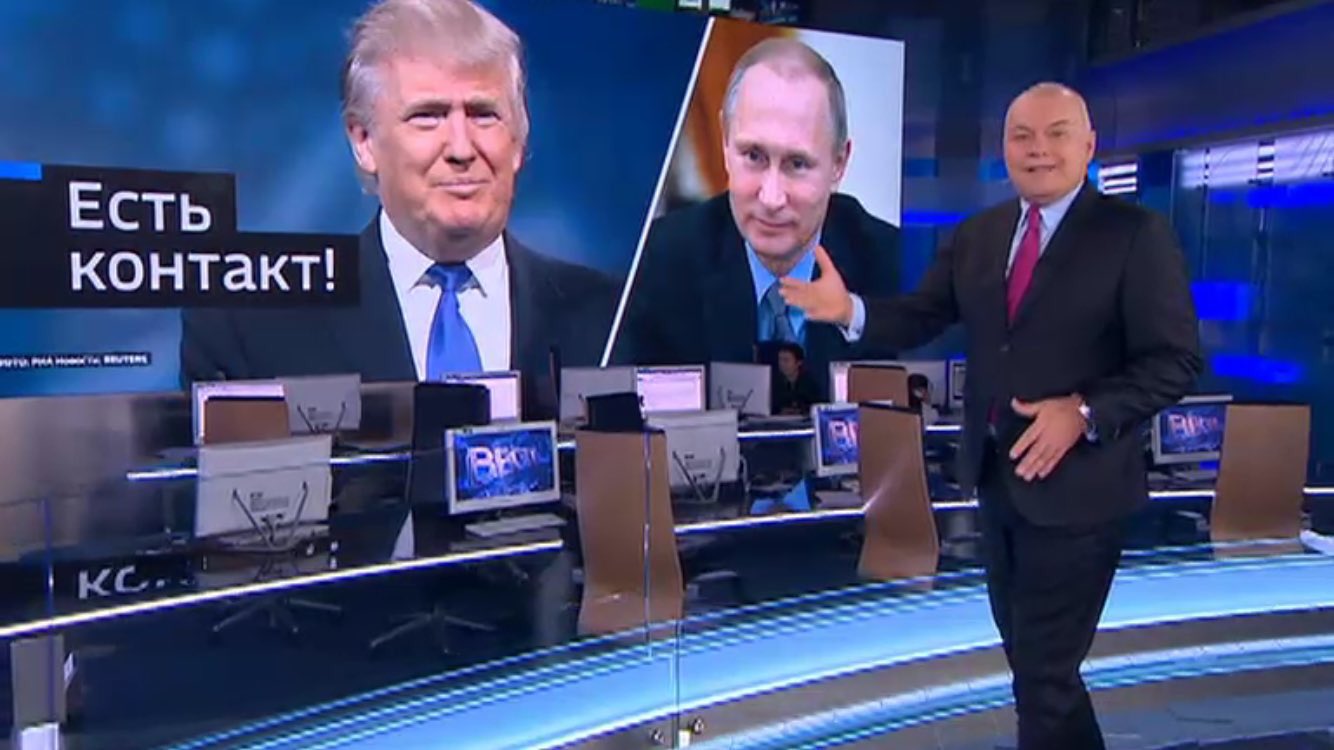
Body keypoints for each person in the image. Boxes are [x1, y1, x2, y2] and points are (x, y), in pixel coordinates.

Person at [781, 82, 1202, 748]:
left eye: (1057, 134)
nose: (1038, 150)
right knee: (1036, 673)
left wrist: (1083, 411)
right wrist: (848, 311)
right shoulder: (979, 236)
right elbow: (922, 315)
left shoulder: (1134, 236)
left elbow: (1175, 361)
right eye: (1021, 136)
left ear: (1089, 145)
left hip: (1082, 494)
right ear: (1004, 148)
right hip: (999, 483)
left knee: (1044, 675)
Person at [180, 0, 620, 421]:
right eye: (428, 116)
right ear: (364, 142)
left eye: (483, 115)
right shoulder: (253, 329)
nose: (462, 149)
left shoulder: (612, 317)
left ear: (518, 142)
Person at [613, 37, 901, 399]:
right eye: (753, 156)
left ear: (838, 164)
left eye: (797, 164)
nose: (771, 198)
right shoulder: (659, 260)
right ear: (725, 142)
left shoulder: (893, 265)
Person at [771, 342, 821, 415]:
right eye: (780, 360)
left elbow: (816, 407)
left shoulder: (809, 384)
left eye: (786, 360)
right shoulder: (773, 382)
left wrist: (799, 411)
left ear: (798, 362)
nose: (781, 364)